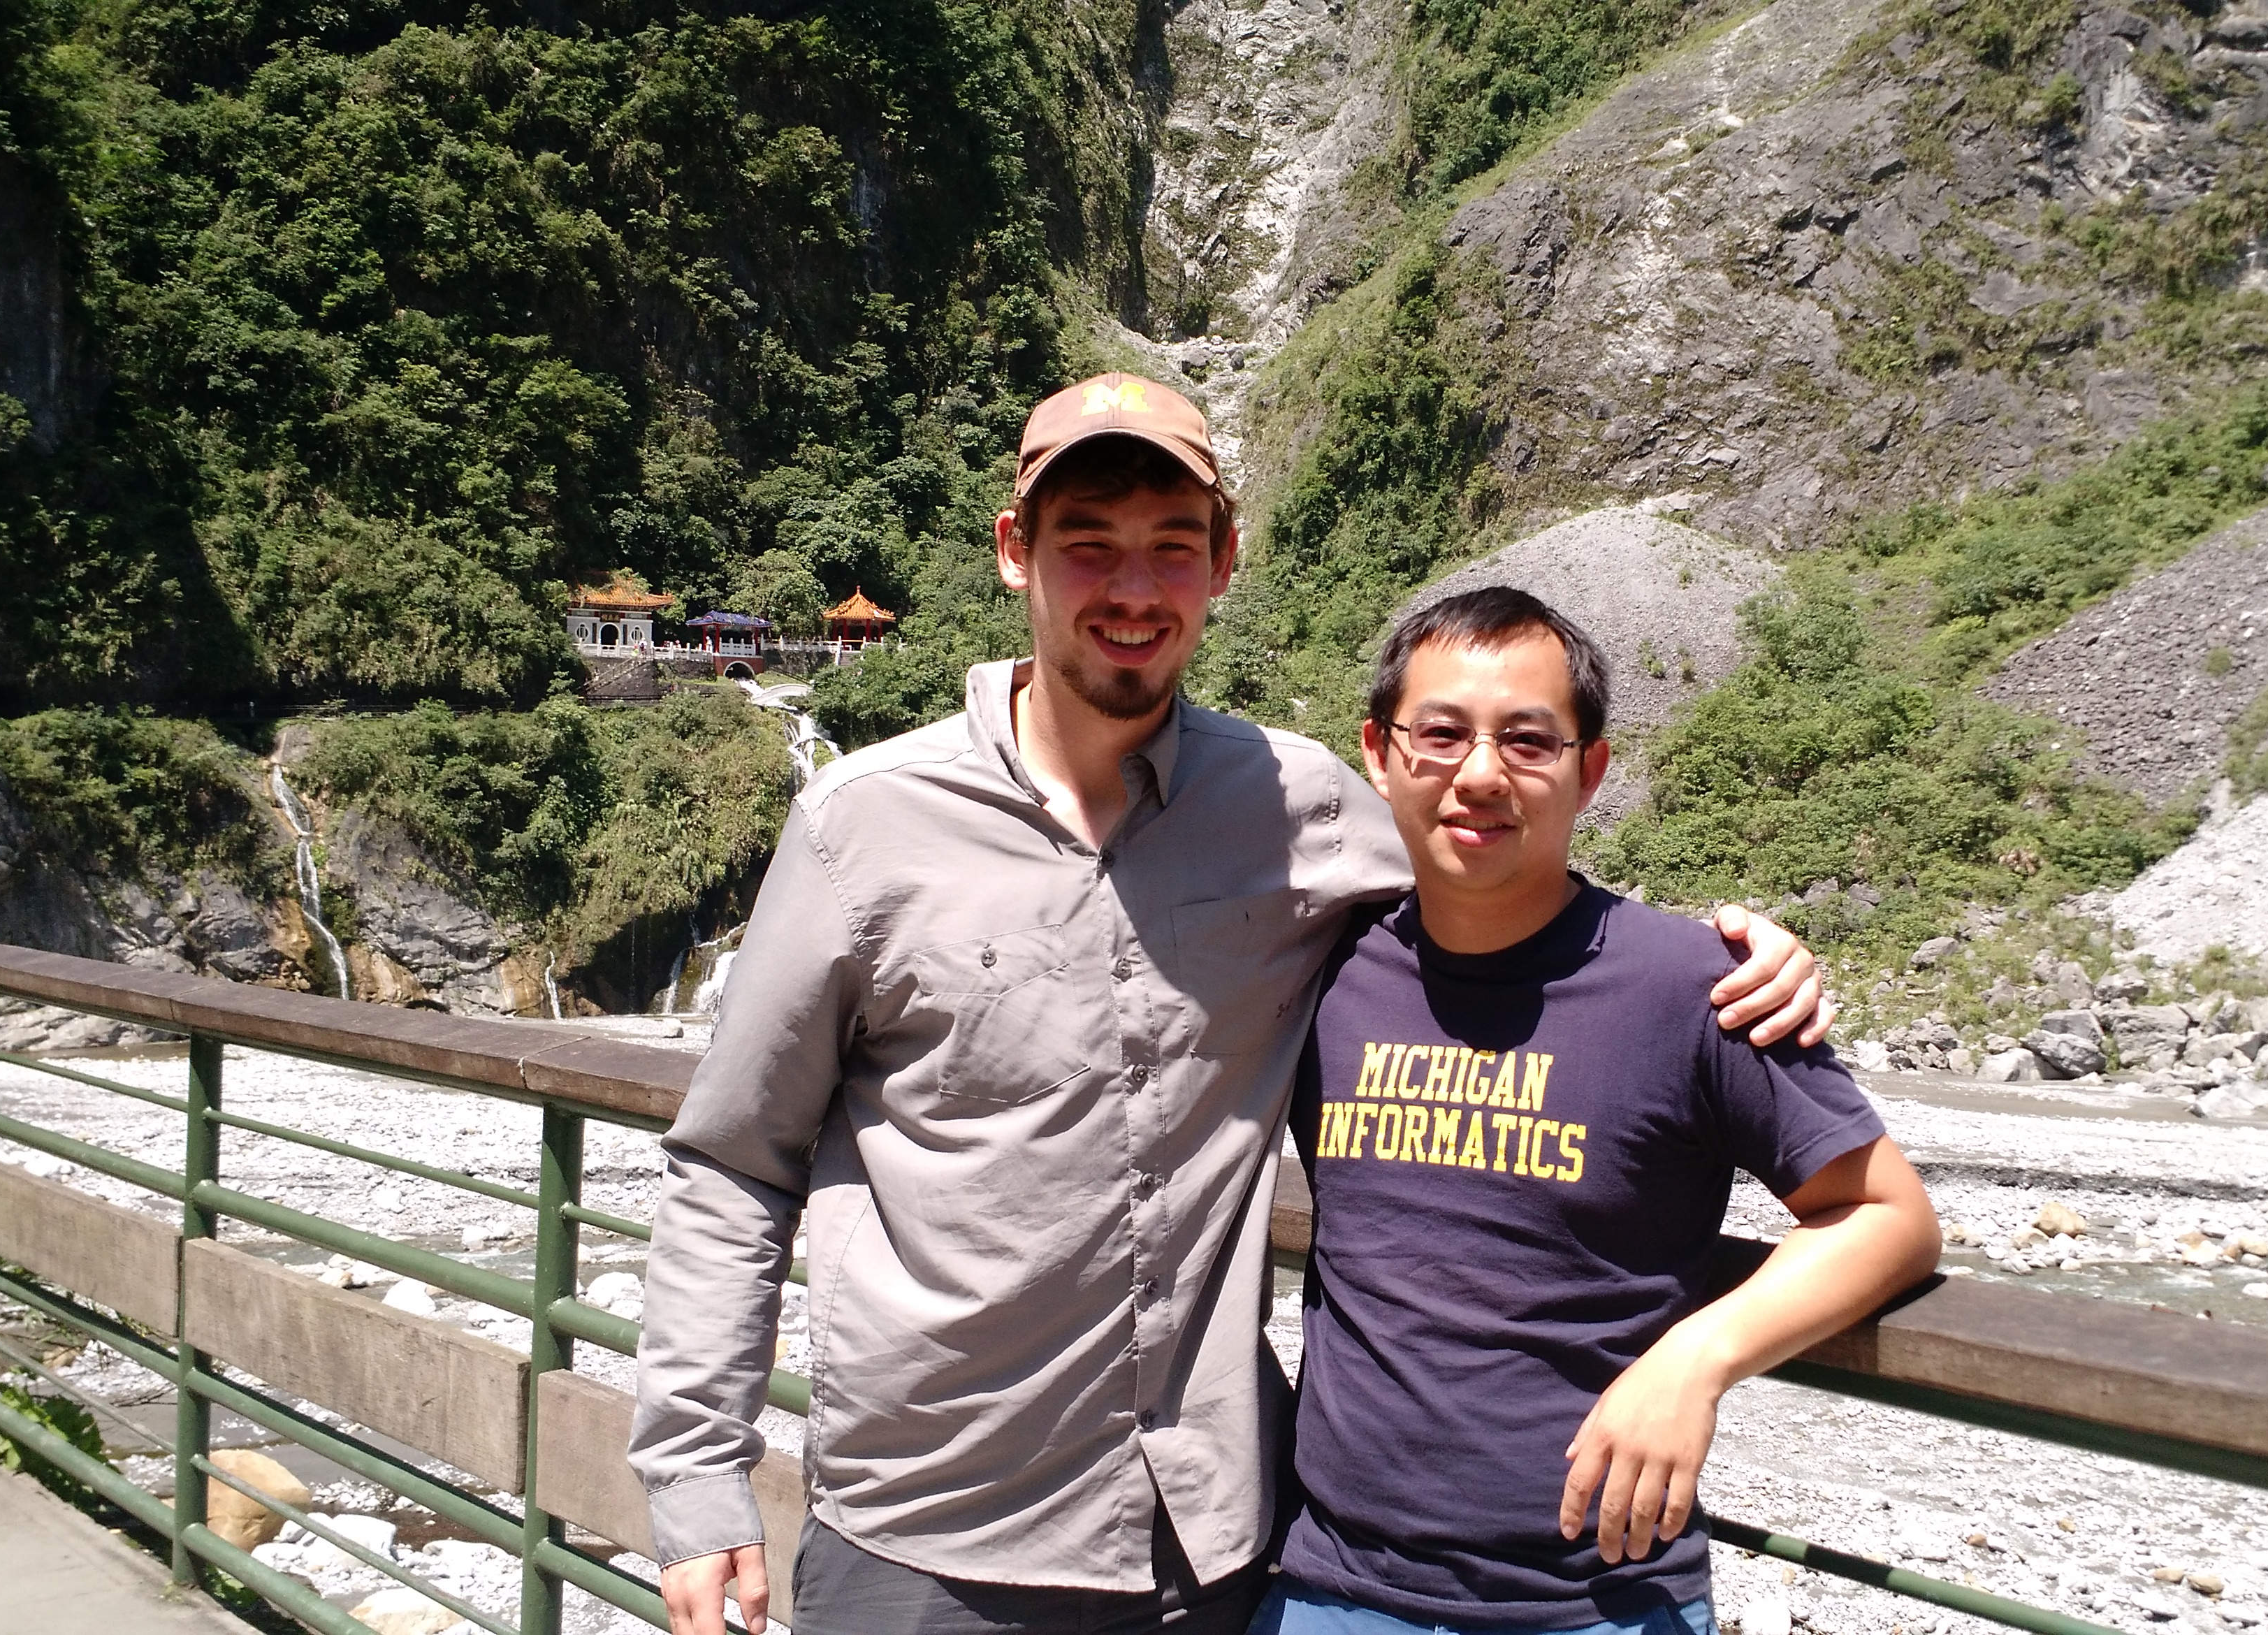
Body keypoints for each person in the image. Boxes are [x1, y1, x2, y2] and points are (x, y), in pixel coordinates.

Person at [630, 373, 1837, 1635]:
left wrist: (1717, 952)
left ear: (1224, 562)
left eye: (1172, 547)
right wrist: (698, 1478)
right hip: (928, 1539)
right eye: (1087, 545)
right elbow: (733, 1165)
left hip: (1203, 1545)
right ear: (1014, 555)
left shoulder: (1303, 808)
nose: (1133, 590)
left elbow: (1492, 861)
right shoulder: (860, 826)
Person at [1264, 588, 1941, 1635]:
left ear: (1591, 771)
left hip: (1597, 1598)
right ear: (1381, 754)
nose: (1481, 773)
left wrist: (1699, 1359)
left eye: (1529, 740)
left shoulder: (1696, 986)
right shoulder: (1320, 965)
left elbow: (1886, 1217)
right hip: (1331, 1584)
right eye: (1441, 733)